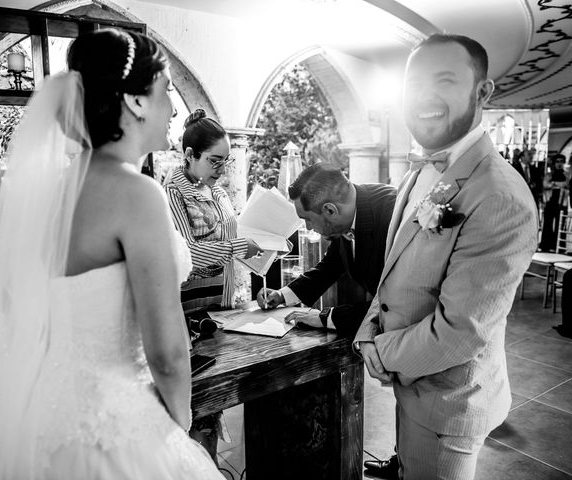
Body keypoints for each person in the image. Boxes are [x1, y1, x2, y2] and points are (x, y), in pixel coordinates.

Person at [0, 29, 224, 479]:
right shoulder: (137, 193)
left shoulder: (52, 193)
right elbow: (167, 352)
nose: (173, 108)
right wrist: (177, 429)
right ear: (136, 102)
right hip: (116, 426)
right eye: (166, 91)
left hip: (46, 423)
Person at [354, 33, 538, 480]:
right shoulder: (423, 172)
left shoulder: (500, 195)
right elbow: (392, 276)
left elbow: (461, 332)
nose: (425, 96)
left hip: (449, 404)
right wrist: (365, 333)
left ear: (482, 91)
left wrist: (380, 349)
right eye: (414, 82)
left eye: (445, 79)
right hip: (412, 385)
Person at [164, 109, 262, 462]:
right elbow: (186, 251)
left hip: (220, 300)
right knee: (192, 396)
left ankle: (208, 463)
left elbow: (228, 235)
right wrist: (237, 246)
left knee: (214, 399)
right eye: (214, 160)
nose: (221, 169)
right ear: (189, 155)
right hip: (189, 304)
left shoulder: (216, 191)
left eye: (226, 161)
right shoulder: (172, 192)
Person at [256, 163, 395, 338]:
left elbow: (394, 303)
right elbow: (331, 265)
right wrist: (282, 295)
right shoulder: (346, 213)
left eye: (307, 219)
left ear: (330, 210)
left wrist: (326, 317)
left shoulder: (392, 217)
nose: (307, 227)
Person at [540, 153, 569, 252]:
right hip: (550, 201)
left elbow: (567, 185)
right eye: (557, 162)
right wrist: (559, 185)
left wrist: (553, 184)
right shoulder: (549, 174)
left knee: (560, 224)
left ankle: (558, 246)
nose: (559, 164)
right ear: (554, 163)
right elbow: (545, 185)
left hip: (562, 201)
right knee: (547, 223)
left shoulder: (566, 174)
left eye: (561, 162)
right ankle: (546, 245)